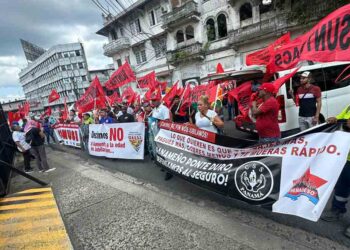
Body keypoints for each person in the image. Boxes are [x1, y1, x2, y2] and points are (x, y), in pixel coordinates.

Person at [321, 104, 350, 237]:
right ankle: (337, 210)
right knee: (341, 187)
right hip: (347, 157)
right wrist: (335, 119)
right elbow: (341, 117)